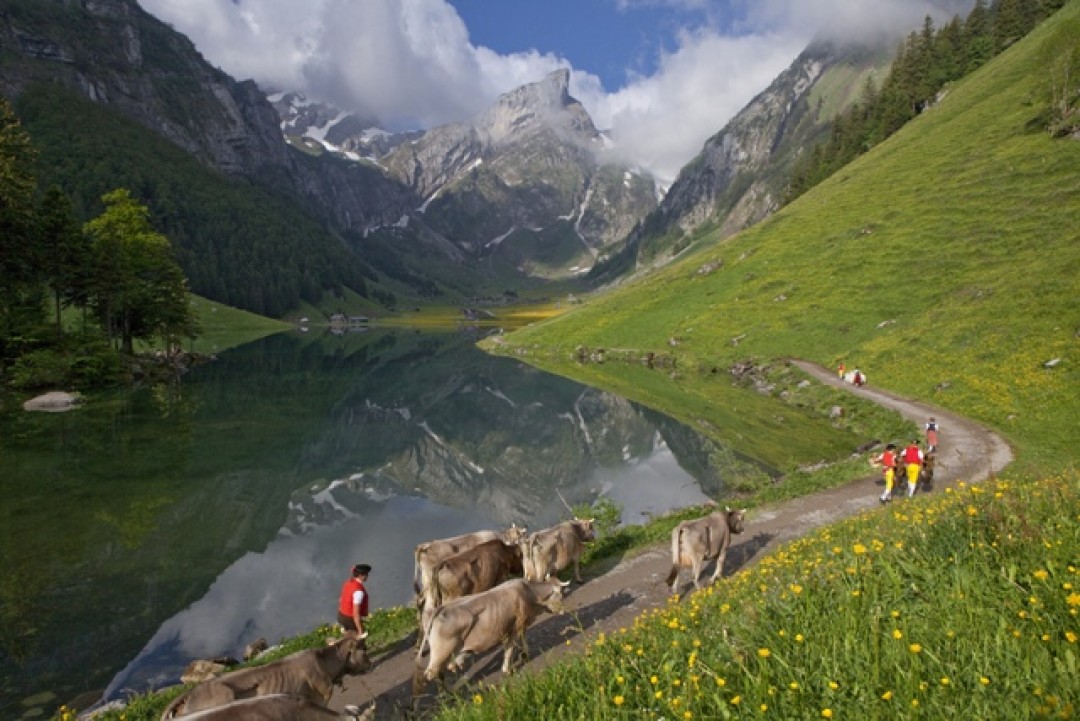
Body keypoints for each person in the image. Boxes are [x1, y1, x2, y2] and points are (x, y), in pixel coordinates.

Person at [338, 563, 371, 639]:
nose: (367, 576)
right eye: (366, 574)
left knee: (349, 637)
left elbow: (341, 599)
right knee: (359, 640)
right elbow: (356, 613)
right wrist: (360, 630)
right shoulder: (358, 591)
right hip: (349, 618)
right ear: (360, 575)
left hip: (341, 616)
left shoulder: (348, 583)